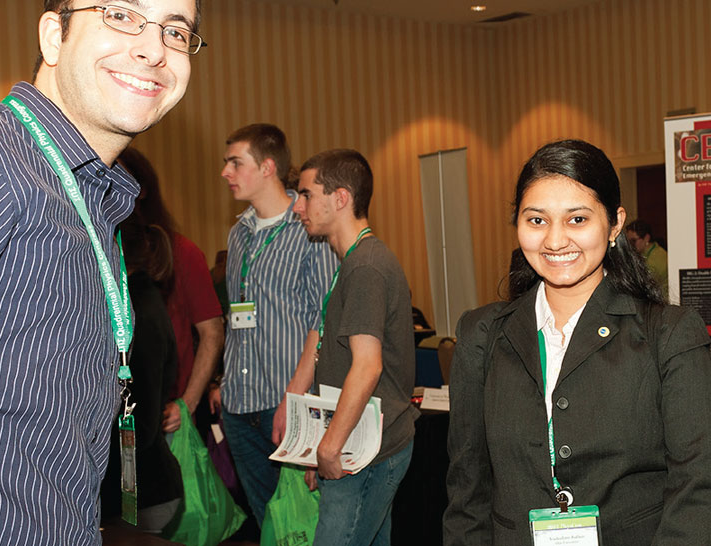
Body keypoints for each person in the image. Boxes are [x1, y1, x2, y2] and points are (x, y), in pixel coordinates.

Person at [0, 0, 203, 544]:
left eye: (176, 32)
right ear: (53, 34)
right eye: (121, 15)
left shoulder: (99, 207)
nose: (153, 48)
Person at [443, 140, 711, 545]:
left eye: (577, 219)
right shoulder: (481, 335)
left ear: (615, 223)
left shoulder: (669, 335)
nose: (554, 241)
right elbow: (467, 492)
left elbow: (697, 488)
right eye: (536, 221)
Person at [292, 149, 418, 546]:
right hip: (360, 442)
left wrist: (329, 445)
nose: (298, 207)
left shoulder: (365, 266)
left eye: (307, 195)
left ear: (341, 198)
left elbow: (367, 367)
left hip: (365, 451)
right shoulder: (353, 261)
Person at [218, 123, 338, 526]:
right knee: (271, 525)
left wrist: (307, 402)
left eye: (236, 163)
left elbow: (325, 322)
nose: (226, 173)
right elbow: (237, 317)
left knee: (304, 523)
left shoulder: (309, 230)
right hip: (238, 405)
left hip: (287, 403)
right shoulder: (239, 235)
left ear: (268, 167)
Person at [118, 147, 224, 431]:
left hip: (167, 412)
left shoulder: (180, 252)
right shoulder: (93, 250)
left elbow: (212, 332)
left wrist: (187, 404)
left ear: (140, 190)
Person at [102, 206, 182, 533]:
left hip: (144, 493)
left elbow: (141, 424)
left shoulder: (140, 313)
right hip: (139, 489)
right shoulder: (136, 301)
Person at [626, 219, 669, 298]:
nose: (630, 245)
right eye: (628, 242)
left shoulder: (656, 257)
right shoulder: (648, 253)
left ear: (646, 238)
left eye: (633, 241)